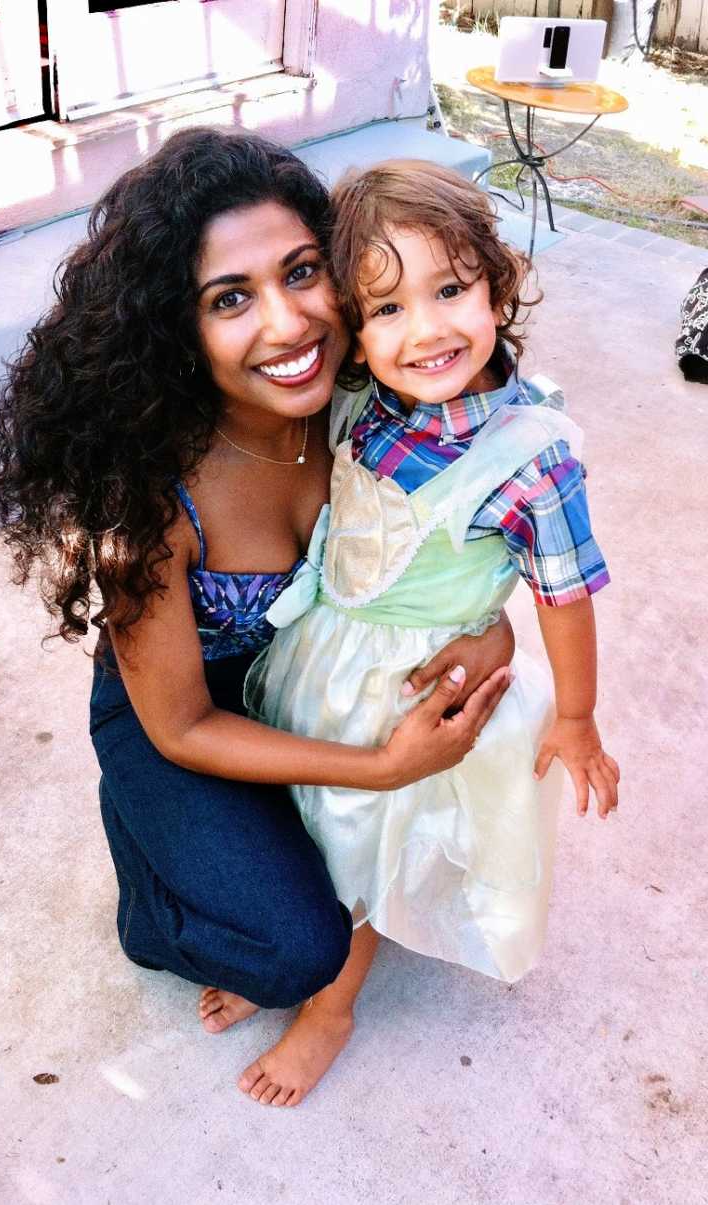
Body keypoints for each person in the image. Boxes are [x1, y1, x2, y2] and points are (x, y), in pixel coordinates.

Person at [0, 129, 516, 1109]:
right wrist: (380, 767)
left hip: (315, 677)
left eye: (304, 271)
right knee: (294, 950)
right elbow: (181, 723)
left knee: (450, 763)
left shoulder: (372, 400)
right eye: (231, 297)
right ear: (175, 329)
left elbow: (483, 527)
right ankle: (151, 881)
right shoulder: (145, 505)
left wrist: (494, 630)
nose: (288, 320)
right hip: (182, 719)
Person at [248, 159, 620, 1093]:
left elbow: (564, 598)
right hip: (323, 655)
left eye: (450, 289)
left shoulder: (529, 459)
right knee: (303, 812)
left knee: (360, 844)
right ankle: (284, 956)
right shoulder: (364, 400)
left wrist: (575, 717)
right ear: (354, 327)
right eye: (387, 309)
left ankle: (329, 1007)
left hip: (406, 690)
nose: (427, 330)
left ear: (497, 282)